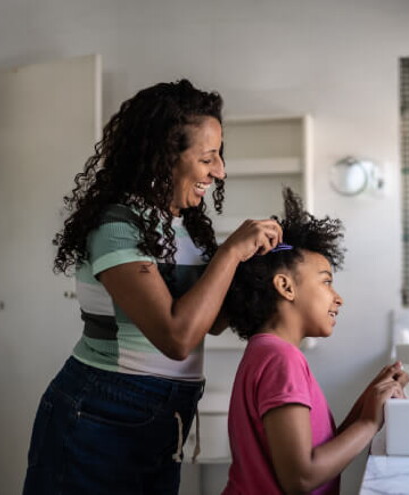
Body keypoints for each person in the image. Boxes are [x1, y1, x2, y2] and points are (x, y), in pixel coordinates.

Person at [22, 79, 282, 495]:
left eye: (220, 157)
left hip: (165, 418)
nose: (220, 171)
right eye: (208, 158)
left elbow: (207, 324)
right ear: (165, 158)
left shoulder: (187, 230)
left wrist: (258, 267)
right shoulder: (116, 228)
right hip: (101, 414)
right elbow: (177, 337)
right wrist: (230, 253)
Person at [221, 188, 409, 494]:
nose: (338, 298)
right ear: (285, 287)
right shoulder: (281, 359)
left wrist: (368, 402)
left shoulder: (266, 351)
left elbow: (322, 452)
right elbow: (302, 477)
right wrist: (369, 424)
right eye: (326, 281)